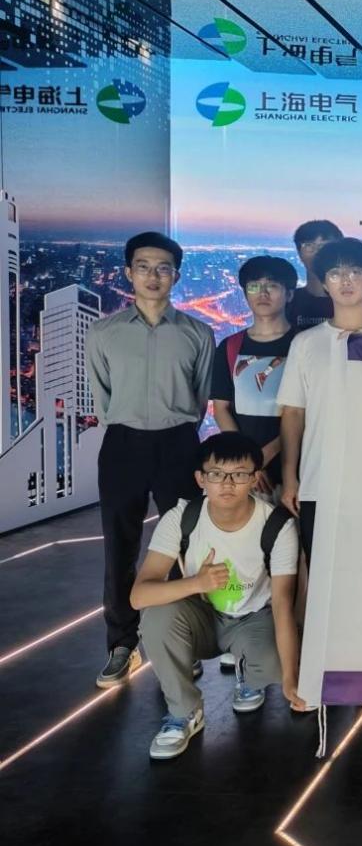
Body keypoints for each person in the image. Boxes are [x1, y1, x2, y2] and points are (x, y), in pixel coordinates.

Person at [86, 231, 215, 689]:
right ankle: (122, 644)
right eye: (143, 267)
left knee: (183, 546)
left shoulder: (198, 334)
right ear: (128, 273)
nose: (153, 276)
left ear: (176, 275)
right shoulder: (104, 333)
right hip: (123, 445)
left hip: (179, 443)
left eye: (163, 268)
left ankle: (181, 642)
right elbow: (102, 394)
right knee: (119, 546)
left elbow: (200, 398)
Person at [132, 432, 304, 759]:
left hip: (253, 620)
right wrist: (196, 583)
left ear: (255, 478)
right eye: (216, 474)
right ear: (201, 479)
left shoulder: (277, 525)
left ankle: (249, 675)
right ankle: (184, 712)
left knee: (273, 664)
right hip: (202, 617)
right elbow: (138, 596)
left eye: (238, 474)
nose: (227, 484)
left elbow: (282, 604)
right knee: (156, 616)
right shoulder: (182, 517)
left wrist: (290, 679)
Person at [278, 238, 362, 564]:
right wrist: (290, 477)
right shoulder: (306, 343)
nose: (346, 281)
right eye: (335, 273)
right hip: (319, 481)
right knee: (322, 570)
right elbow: (293, 413)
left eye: (355, 272)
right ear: (324, 283)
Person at [211, 255, 298, 496]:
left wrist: (262, 457)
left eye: (272, 285)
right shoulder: (230, 346)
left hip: (295, 466)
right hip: (245, 470)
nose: (262, 293)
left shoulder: (304, 344)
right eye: (254, 286)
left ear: (289, 294)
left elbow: (310, 413)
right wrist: (247, 460)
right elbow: (221, 409)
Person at [286, 219, 362, 330]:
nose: (318, 252)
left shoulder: (361, 300)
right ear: (299, 253)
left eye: (325, 245)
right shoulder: (289, 300)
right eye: (309, 245)